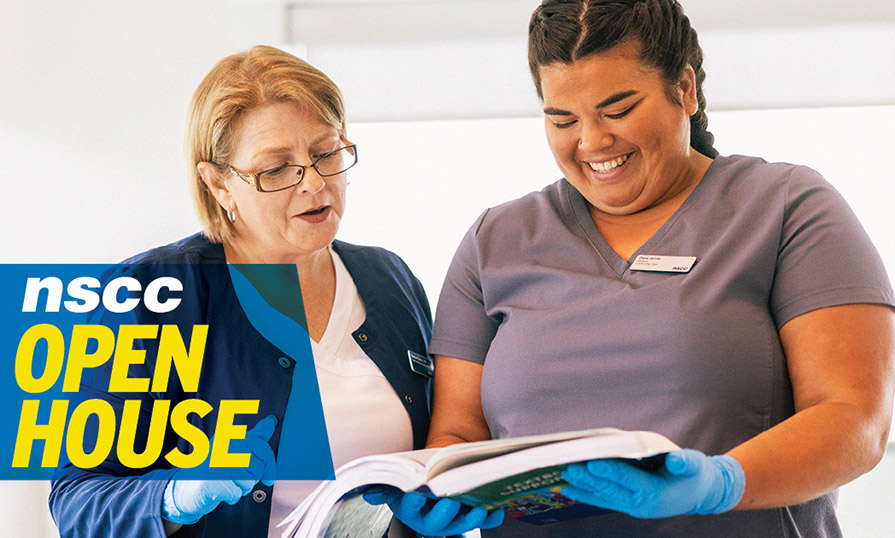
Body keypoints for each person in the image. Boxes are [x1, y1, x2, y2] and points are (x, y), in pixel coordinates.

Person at [377, 1, 895, 537]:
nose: (592, 142)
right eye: (562, 119)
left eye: (618, 110)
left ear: (686, 89)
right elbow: (458, 431)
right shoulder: (495, 240)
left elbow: (854, 418)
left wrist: (722, 483)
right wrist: (439, 484)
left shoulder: (786, 207)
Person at [48, 45, 434, 538]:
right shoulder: (146, 294)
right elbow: (77, 501)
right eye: (275, 169)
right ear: (218, 184)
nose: (314, 183)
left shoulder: (390, 278)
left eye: (326, 153)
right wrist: (173, 495)